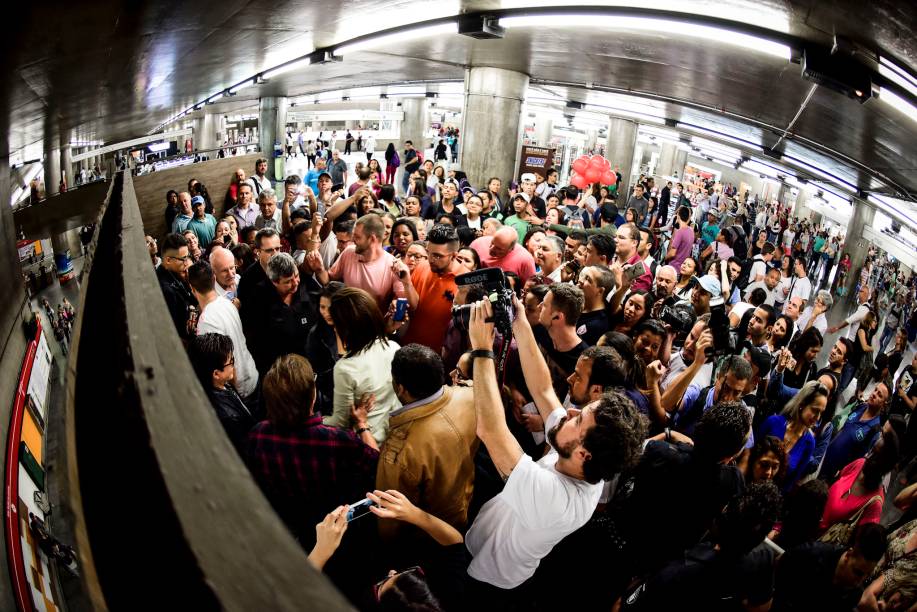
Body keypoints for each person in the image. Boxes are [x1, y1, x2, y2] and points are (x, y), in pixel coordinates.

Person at [464, 297, 646, 597]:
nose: (570, 413)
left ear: (584, 453)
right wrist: (520, 322)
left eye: (579, 420)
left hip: (488, 579)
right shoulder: (579, 458)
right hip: (485, 539)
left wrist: (482, 351)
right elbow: (544, 390)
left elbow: (490, 430)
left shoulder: (557, 499)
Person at [247, 354, 379, 548]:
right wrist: (362, 424)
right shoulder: (338, 441)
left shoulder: (258, 435)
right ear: (312, 395)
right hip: (335, 530)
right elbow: (377, 463)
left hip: (288, 527)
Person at [620, 482, 782, 612]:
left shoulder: (678, 570)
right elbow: (761, 607)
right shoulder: (765, 557)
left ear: (722, 516)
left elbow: (623, 606)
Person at [376, 344, 478, 542]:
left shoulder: (400, 450)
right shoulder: (470, 395)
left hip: (429, 534)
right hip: (468, 507)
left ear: (400, 388)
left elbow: (390, 519)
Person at [323, 288, 401, 445]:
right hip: (393, 437)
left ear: (346, 328)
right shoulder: (394, 348)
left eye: (336, 323)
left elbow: (340, 423)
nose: (335, 329)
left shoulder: (345, 368)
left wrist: (319, 421)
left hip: (363, 446)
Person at [772, 523, 887, 611]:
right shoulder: (811, 554)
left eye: (867, 575)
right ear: (848, 554)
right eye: (858, 572)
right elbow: (776, 571)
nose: (859, 582)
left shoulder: (854, 594)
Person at [188, 261, 258, 400]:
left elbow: (223, 363)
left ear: (192, 288)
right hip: (252, 374)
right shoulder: (228, 303)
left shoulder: (207, 322)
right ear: (214, 279)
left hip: (240, 389)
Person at [308, 214, 406, 310]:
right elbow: (329, 281)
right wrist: (319, 269)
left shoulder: (393, 264)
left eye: (357, 237)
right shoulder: (349, 252)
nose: (353, 240)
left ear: (372, 239)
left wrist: (395, 303)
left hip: (374, 323)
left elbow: (401, 299)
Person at [246, 253, 317, 375]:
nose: (296, 283)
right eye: (288, 281)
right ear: (274, 282)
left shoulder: (306, 284)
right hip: (282, 370)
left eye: (296, 276)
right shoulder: (258, 300)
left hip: (311, 363)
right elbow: (257, 344)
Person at [187, 333, 256, 455]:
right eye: (231, 361)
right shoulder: (228, 417)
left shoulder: (218, 385)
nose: (233, 364)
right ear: (216, 374)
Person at [398, 225, 462, 354]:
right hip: (408, 349)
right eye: (428, 253)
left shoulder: (464, 284)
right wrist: (406, 284)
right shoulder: (422, 266)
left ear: (454, 255)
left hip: (436, 358)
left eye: (438, 256)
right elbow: (413, 306)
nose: (431, 259)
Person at [820, 429, 899, 534]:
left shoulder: (874, 504)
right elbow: (837, 479)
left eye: (874, 456)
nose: (868, 458)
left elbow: (857, 542)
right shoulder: (859, 464)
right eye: (871, 453)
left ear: (883, 467)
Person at [757, 380, 828, 490]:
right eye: (815, 410)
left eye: (821, 413)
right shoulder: (773, 422)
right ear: (802, 404)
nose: (817, 417)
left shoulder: (809, 443)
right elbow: (750, 455)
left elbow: (791, 482)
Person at [820, 383, 890, 482]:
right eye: (875, 390)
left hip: (835, 474)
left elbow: (859, 462)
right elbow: (844, 428)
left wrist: (841, 476)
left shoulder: (874, 430)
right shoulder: (861, 407)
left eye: (879, 395)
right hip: (825, 456)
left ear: (884, 405)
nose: (874, 394)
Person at [156, 233, 195, 341]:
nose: (187, 262)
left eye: (188, 257)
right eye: (183, 258)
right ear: (168, 260)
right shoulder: (166, 290)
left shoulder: (174, 271)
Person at [468, 227, 536, 283]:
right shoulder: (478, 243)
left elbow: (530, 288)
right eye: (492, 243)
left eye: (499, 249)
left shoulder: (526, 260)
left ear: (511, 249)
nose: (492, 249)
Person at [575, 265, 613, 346]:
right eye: (583, 276)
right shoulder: (578, 300)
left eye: (588, 279)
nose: (580, 280)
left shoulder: (598, 326)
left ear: (600, 291)